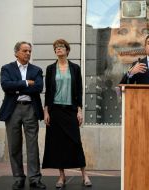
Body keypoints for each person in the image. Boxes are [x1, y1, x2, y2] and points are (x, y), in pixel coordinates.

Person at [42, 39, 92, 188]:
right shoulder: (50, 68)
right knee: (57, 144)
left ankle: (84, 174)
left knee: (75, 142)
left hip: (70, 110)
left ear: (67, 50)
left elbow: (79, 91)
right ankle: (61, 177)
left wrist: (79, 110)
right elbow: (48, 92)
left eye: (61, 47)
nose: (58, 49)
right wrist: (46, 111)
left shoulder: (75, 68)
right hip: (55, 110)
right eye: (56, 47)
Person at [0, 41, 46, 189]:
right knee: (14, 145)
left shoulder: (36, 70)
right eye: (25, 51)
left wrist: (17, 88)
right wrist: (25, 83)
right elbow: (6, 86)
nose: (28, 54)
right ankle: (18, 178)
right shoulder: (7, 68)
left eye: (29, 51)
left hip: (31, 109)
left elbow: (38, 87)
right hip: (13, 110)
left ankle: (34, 179)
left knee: (33, 146)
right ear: (16, 52)